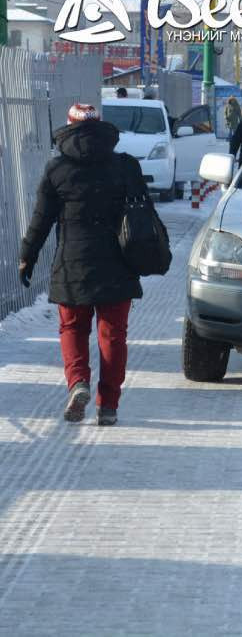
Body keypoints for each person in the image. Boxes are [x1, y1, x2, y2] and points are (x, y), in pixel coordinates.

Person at [17, 103, 145, 426]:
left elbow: (41, 220)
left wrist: (26, 256)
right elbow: (143, 215)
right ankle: (109, 406)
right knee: (113, 334)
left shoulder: (57, 170)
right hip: (118, 262)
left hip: (73, 263)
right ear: (100, 127)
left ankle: (78, 383)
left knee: (72, 326)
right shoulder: (125, 167)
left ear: (69, 126)